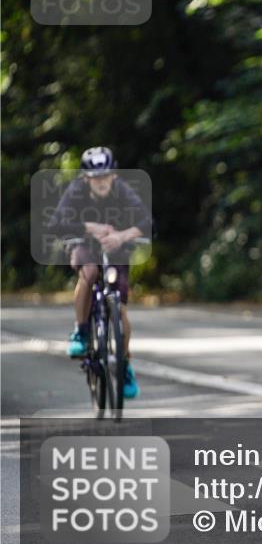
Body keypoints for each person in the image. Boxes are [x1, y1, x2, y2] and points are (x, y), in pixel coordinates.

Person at [46, 146, 152, 399]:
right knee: (90, 272)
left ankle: (124, 365)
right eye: (95, 177)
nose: (101, 181)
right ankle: (81, 331)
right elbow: (56, 224)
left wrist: (121, 237)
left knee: (120, 307)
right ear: (86, 178)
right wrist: (89, 227)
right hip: (84, 244)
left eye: (105, 175)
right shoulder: (76, 191)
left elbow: (147, 222)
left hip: (116, 247)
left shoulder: (122, 190)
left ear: (113, 175)